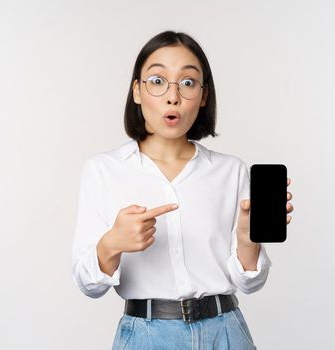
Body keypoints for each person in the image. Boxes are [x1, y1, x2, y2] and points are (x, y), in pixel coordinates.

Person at [71, 30, 294, 350]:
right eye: (157, 81)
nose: (172, 96)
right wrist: (112, 244)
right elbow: (88, 284)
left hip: (226, 332)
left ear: (204, 95)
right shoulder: (103, 170)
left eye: (188, 83)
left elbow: (251, 281)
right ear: (136, 91)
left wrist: (247, 240)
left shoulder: (230, 171)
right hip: (147, 337)